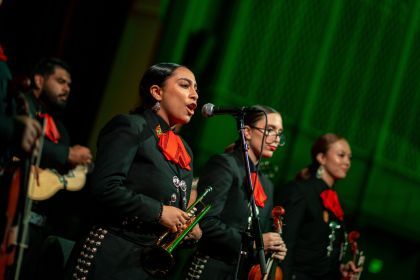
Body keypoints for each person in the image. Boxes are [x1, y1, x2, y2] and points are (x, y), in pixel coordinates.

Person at [65, 62, 201, 279]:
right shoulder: (130, 126)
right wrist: (159, 212)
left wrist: (185, 231)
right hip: (111, 254)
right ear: (157, 92)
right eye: (185, 86)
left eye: (196, 88)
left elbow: (172, 212)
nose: (194, 94)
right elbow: (104, 188)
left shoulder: (185, 150)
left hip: (146, 267)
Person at [185, 105, 288, 280]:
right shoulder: (225, 164)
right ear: (247, 132)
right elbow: (206, 222)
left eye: (279, 133)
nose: (276, 139)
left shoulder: (267, 184)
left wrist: (270, 250)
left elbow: (257, 237)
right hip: (211, 269)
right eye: (270, 130)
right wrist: (255, 242)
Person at [16, 57, 92, 280]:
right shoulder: (21, 106)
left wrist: (81, 169)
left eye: (69, 84)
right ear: (39, 80)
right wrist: (66, 154)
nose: (66, 88)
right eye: (60, 81)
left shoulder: (60, 129)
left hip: (38, 226)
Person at [277, 133, 362, 280]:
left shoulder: (333, 200)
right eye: (341, 155)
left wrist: (338, 269)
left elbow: (318, 249)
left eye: (349, 157)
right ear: (321, 158)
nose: (347, 162)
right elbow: (285, 245)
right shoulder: (300, 191)